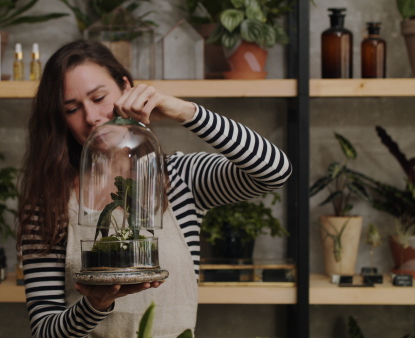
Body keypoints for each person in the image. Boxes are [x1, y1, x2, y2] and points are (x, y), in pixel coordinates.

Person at [16, 39, 292, 338]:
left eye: (99, 97)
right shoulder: (48, 201)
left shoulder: (181, 177)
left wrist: (184, 112)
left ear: (126, 86)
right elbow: (44, 330)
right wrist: (94, 305)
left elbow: (274, 170)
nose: (91, 117)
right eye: (72, 109)